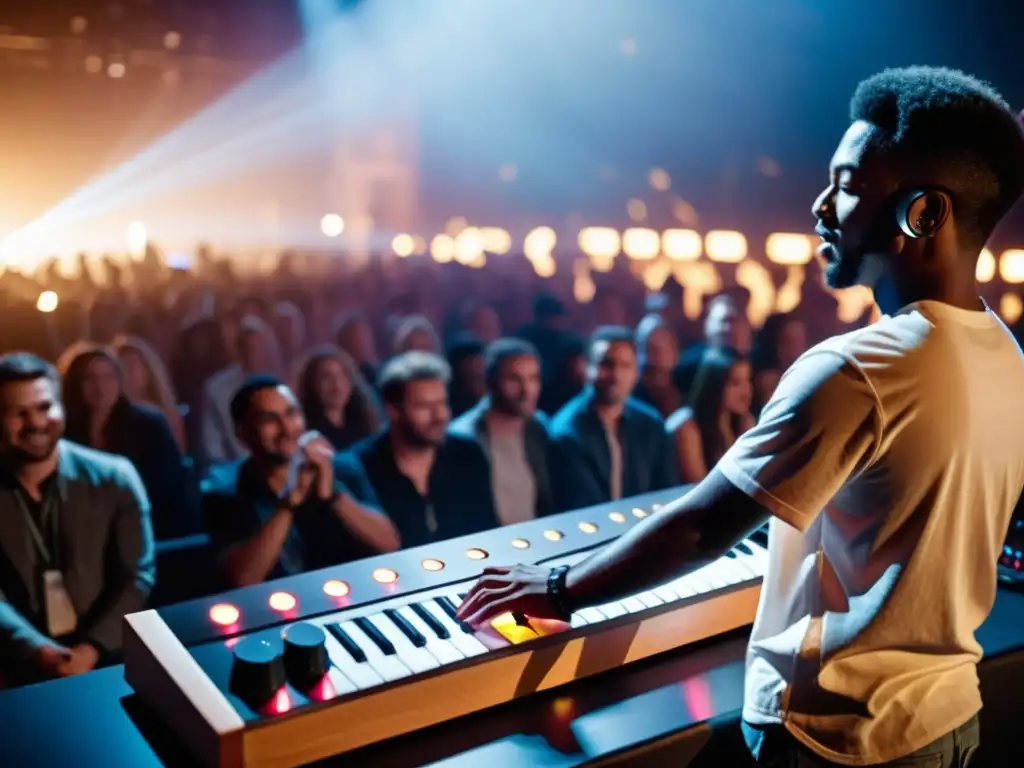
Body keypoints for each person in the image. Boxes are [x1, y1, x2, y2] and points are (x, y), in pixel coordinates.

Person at [457, 67, 1024, 767]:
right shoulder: (1004, 352)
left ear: (924, 214)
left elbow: (701, 528)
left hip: (837, 737)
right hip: (946, 716)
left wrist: (556, 587)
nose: (820, 205)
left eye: (847, 184)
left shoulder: (858, 369)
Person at [0, 353, 155, 686]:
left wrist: (92, 648)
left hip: (113, 665)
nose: (36, 423)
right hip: (16, 673)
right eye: (19, 413)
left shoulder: (115, 477)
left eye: (44, 407)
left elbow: (137, 576)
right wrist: (36, 650)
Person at [203, 376, 399, 588]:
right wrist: (290, 501)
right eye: (269, 420)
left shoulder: (340, 467)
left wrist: (333, 494)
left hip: (350, 595)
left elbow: (389, 543)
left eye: (291, 414)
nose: (286, 428)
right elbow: (241, 579)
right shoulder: (224, 491)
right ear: (242, 433)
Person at [348, 352, 498, 547]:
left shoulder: (468, 454)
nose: (439, 416)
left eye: (442, 403)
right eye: (424, 406)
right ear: (393, 411)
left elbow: (487, 529)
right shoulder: (361, 466)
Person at [59, 345, 200, 541]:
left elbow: (168, 489)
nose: (100, 387)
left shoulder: (148, 426)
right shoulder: (63, 434)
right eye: (90, 379)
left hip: (147, 529)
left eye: (108, 377)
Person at [549, 326, 678, 510]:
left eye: (625, 366)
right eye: (606, 364)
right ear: (586, 367)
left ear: (636, 372)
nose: (616, 375)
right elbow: (580, 505)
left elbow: (667, 493)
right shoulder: (567, 432)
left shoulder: (651, 425)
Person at [449, 339, 556, 524]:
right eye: (514, 379)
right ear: (490, 381)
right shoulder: (462, 438)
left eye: (534, 378)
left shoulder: (540, 428)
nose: (527, 390)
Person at [666, 348, 754, 483]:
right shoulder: (686, 428)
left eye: (747, 381)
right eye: (736, 383)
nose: (746, 392)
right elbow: (697, 488)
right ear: (715, 385)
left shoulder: (740, 422)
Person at [295, 346, 382, 451]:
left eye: (342, 375)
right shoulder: (305, 432)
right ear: (311, 384)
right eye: (326, 376)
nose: (337, 383)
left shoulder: (367, 425)